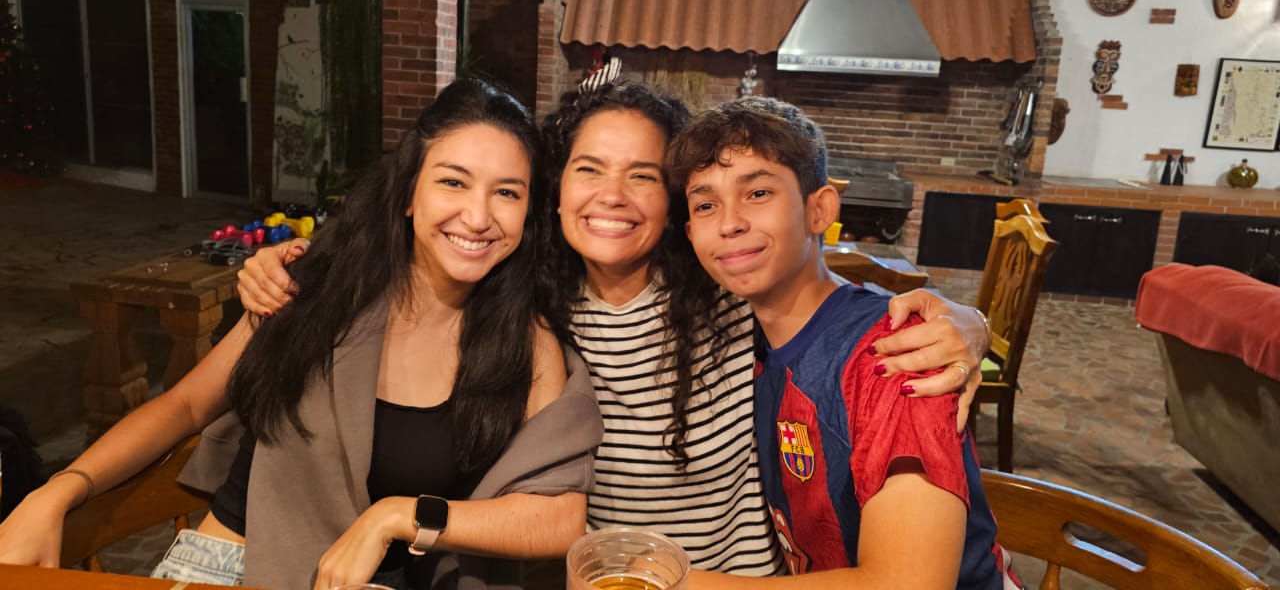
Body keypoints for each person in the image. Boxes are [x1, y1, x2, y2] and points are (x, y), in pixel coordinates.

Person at [239, 73, 988, 577]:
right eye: (589, 168)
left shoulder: (723, 290)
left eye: (644, 176)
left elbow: (817, 295)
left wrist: (964, 320)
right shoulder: (529, 301)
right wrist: (287, 265)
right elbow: (417, 262)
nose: (613, 196)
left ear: (672, 204)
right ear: (555, 188)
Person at [0, 79, 601, 590]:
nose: (477, 216)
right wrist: (58, 490)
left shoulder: (523, 343)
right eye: (453, 182)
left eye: (506, 192)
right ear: (408, 195)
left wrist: (397, 516)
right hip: (231, 564)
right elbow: (184, 405)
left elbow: (557, 518)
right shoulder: (314, 289)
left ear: (528, 214)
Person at [669, 96, 1018, 589]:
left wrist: (664, 581)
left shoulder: (896, 356)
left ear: (820, 210)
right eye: (706, 205)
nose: (729, 223)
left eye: (758, 193)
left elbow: (908, 584)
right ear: (690, 233)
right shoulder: (741, 335)